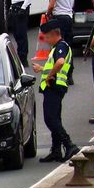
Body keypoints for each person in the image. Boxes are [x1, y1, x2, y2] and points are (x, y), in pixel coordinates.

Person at [33, 18, 78, 163]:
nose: (45, 40)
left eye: (46, 37)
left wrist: (49, 76)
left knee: (50, 118)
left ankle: (69, 145)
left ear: (54, 34)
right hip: (55, 87)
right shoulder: (57, 48)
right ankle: (56, 150)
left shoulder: (61, 46)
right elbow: (55, 65)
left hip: (54, 87)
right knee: (55, 118)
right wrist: (43, 70)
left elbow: (60, 62)